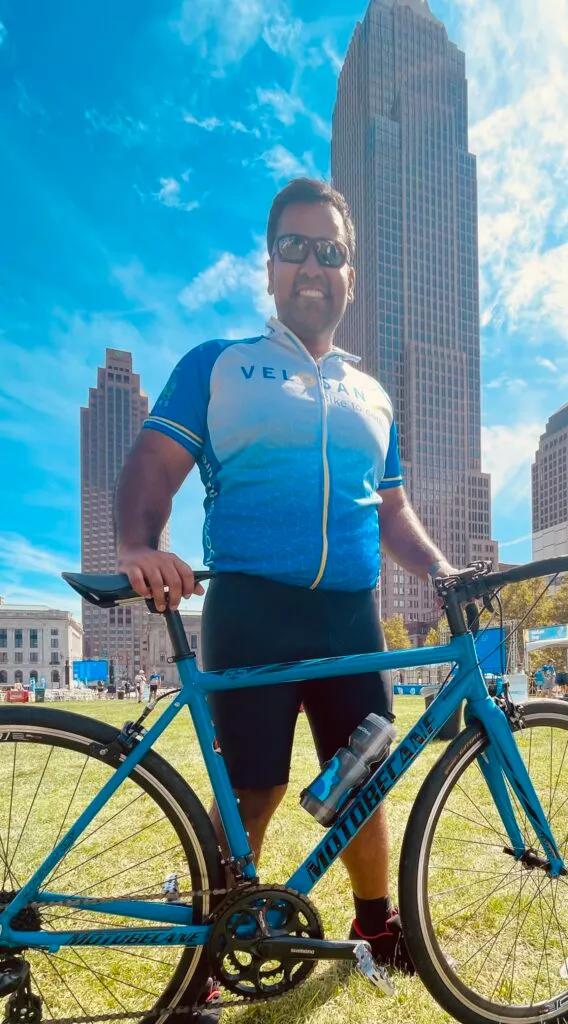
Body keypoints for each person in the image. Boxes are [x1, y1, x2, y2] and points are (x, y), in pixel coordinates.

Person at [114, 178, 456, 1021]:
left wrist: (446, 575)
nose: (313, 264)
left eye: (330, 251)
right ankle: (210, 952)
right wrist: (136, 544)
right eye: (295, 248)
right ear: (270, 268)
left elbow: (396, 510)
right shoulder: (219, 363)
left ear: (351, 274)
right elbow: (155, 466)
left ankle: (376, 927)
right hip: (252, 605)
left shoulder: (373, 394)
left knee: (364, 785)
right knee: (253, 792)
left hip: (350, 615)